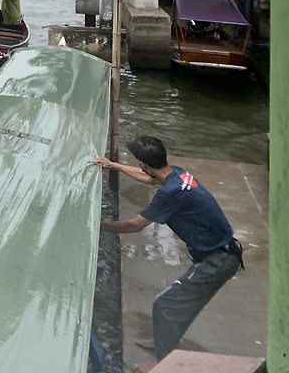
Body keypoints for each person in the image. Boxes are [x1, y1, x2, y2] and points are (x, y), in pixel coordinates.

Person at [95, 135, 243, 371]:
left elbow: (135, 225)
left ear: (143, 163)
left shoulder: (170, 193)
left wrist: (98, 226)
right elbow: (148, 178)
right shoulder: (178, 174)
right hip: (221, 252)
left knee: (165, 303)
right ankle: (162, 341)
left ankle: (162, 363)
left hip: (218, 261)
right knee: (180, 303)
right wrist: (113, 165)